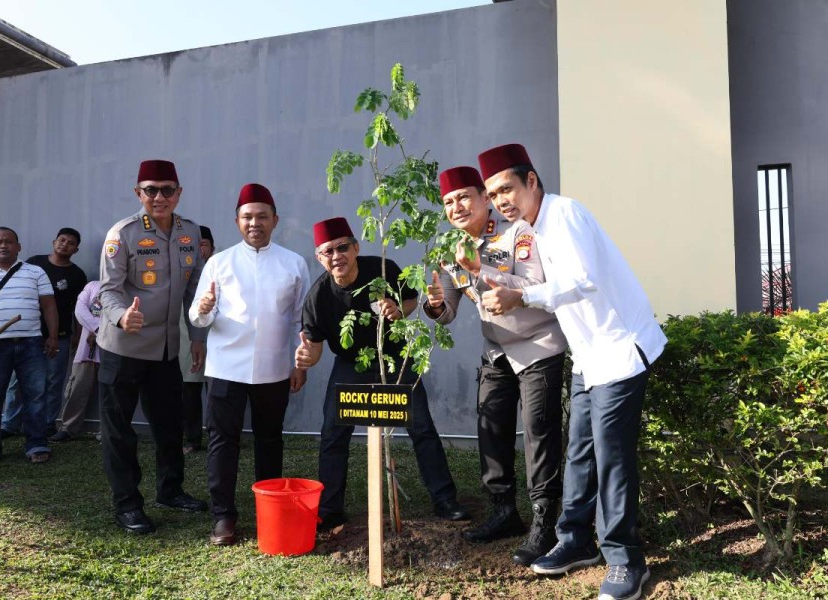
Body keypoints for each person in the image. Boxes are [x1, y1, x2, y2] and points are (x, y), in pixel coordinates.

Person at [476, 143, 666, 600]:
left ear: (532, 181)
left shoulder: (566, 215)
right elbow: (521, 280)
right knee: (579, 450)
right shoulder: (526, 231)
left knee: (610, 456)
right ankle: (576, 540)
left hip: (619, 349)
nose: (501, 200)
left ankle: (625, 560)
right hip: (588, 354)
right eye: (493, 194)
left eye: (507, 188)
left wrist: (519, 298)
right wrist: (473, 267)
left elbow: (582, 279)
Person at [423, 166, 568, 566]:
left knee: (539, 433)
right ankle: (504, 511)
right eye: (449, 202)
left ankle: (545, 520)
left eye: (465, 197)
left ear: (485, 199)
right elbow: (448, 308)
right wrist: (434, 305)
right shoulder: (448, 248)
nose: (457, 207)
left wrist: (478, 270)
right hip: (496, 350)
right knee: (491, 431)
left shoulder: (518, 232)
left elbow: (533, 285)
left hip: (538, 344)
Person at [294, 217, 470, 531]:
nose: (337, 256)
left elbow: (413, 299)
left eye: (343, 247)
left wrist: (398, 309)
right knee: (333, 433)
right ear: (319, 258)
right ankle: (331, 509)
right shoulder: (318, 297)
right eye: (328, 252)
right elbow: (316, 347)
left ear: (356, 247)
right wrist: (307, 357)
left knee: (422, 428)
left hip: (395, 357)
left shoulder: (382, 269)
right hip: (350, 363)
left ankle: (445, 500)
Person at [189, 183, 310, 546]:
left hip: (274, 368)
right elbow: (196, 318)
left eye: (261, 216)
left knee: (270, 440)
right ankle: (224, 515)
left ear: (275, 220)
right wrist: (205, 309)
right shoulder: (219, 262)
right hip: (226, 367)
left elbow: (300, 321)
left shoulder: (293, 263)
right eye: (247, 217)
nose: (254, 223)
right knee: (222, 442)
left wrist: (300, 364)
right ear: (237, 221)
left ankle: (268, 508)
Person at [96, 159, 208, 534]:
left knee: (169, 425)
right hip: (122, 347)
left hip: (165, 350)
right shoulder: (122, 233)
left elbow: (194, 291)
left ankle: (170, 490)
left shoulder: (190, 232)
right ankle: (127, 504)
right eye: (150, 190)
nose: (158, 197)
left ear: (179, 193)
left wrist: (197, 337)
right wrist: (121, 316)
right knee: (119, 430)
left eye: (166, 190)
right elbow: (108, 291)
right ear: (138, 193)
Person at [0, 227, 59, 465]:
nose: (3, 246)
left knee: (35, 396)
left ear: (18, 246)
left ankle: (36, 444)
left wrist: (52, 336)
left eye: (9, 242)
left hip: (31, 343)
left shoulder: (35, 272)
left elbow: (49, 306)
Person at [1, 228, 87, 437]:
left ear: (76, 249)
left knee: (53, 381)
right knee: (17, 381)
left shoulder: (77, 275)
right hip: (27, 333)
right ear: (54, 241)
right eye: (62, 240)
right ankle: (10, 424)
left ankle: (47, 423)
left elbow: (79, 307)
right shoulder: (34, 263)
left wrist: (77, 334)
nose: (64, 244)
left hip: (61, 336)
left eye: (70, 243)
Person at [50, 280, 102, 442]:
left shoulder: (128, 285)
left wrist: (103, 333)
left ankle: (107, 431)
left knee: (113, 392)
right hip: (87, 347)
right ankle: (69, 428)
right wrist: (98, 329)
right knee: (77, 387)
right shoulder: (92, 286)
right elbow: (80, 310)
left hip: (115, 348)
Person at [179, 225, 215, 454]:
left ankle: (217, 436)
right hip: (188, 336)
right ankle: (192, 439)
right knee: (189, 391)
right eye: (194, 245)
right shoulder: (183, 270)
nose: (199, 249)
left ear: (212, 248)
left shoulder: (221, 268)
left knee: (217, 392)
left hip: (219, 338)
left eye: (203, 244)